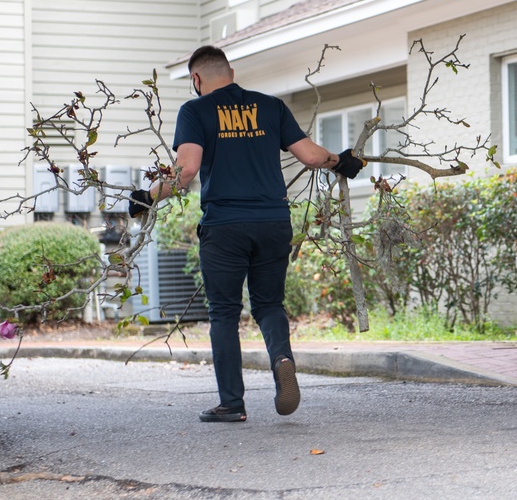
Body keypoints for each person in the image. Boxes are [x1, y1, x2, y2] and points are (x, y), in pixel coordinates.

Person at [128, 45, 364, 422]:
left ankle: (232, 405)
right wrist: (343, 161)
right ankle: (282, 359)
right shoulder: (270, 106)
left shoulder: (195, 110)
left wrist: (147, 197)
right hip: (273, 222)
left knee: (223, 313)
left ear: (196, 79)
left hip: (225, 226)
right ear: (231, 73)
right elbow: (312, 157)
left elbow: (186, 171)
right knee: (269, 305)